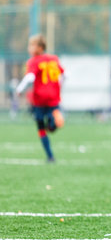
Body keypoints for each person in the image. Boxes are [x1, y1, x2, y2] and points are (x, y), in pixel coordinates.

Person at [16, 34, 65, 162]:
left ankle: (50, 156)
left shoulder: (34, 61)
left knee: (41, 128)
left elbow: (30, 77)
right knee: (51, 127)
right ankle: (54, 118)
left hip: (40, 99)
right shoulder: (54, 59)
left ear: (40, 47)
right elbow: (64, 74)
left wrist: (20, 88)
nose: (29, 48)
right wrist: (59, 87)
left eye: (31, 45)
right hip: (54, 97)